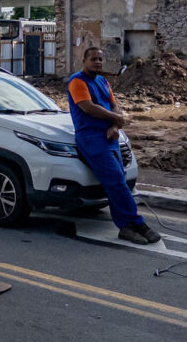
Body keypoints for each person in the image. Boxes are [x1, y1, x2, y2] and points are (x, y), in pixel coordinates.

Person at [67, 47, 160, 245]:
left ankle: (126, 226)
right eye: (93, 59)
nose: (98, 62)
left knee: (119, 182)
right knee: (116, 181)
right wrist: (117, 119)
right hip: (91, 138)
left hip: (110, 137)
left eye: (100, 59)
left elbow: (113, 104)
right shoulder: (77, 81)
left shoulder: (103, 81)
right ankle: (137, 223)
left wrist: (116, 125)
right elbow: (88, 108)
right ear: (84, 61)